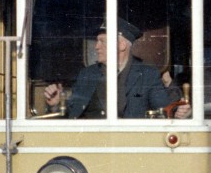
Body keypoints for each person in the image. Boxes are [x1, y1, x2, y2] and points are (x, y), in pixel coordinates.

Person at [43, 18, 190, 119]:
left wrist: (178, 111)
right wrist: (56, 104)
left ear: (121, 45)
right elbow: (71, 111)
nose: (96, 46)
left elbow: (164, 108)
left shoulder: (147, 75)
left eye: (102, 41)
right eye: (97, 41)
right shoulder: (87, 74)